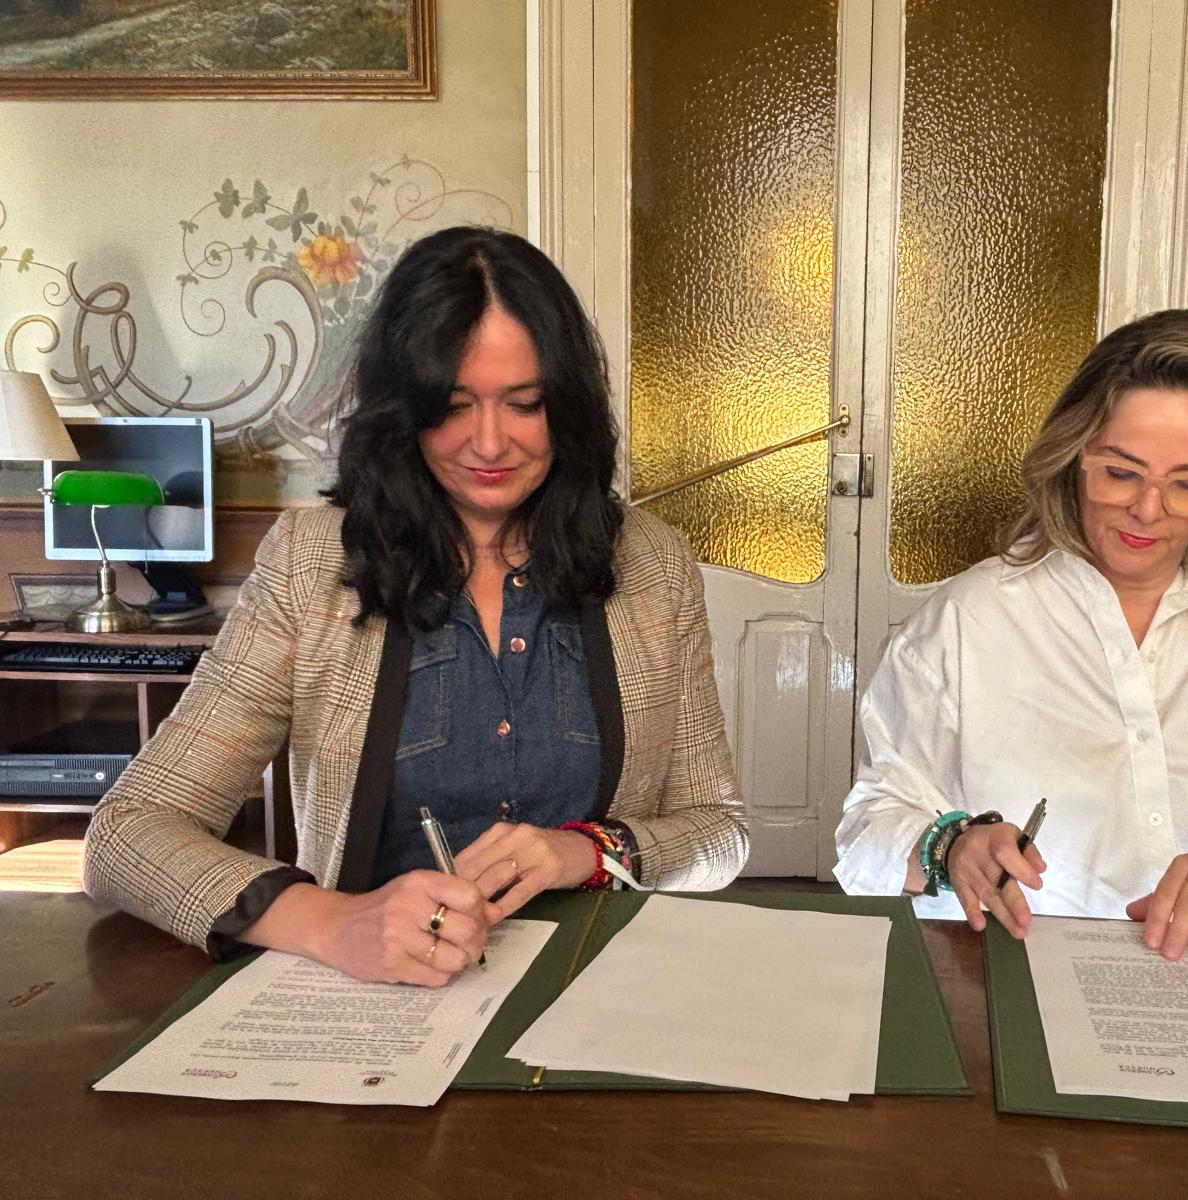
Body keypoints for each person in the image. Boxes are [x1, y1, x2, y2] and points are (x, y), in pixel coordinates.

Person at [84, 227, 747, 985]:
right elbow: (126, 836)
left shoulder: (653, 565)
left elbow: (718, 833)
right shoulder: (312, 563)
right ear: (404, 411)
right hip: (377, 998)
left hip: (594, 990)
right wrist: (333, 923)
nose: (490, 443)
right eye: (453, 405)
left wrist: (591, 851)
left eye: (525, 404)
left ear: (567, 408)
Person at [834, 309, 1188, 968]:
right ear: (1074, 457)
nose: (1148, 510)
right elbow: (865, 834)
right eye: (1121, 473)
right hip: (1014, 981)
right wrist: (950, 848)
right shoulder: (970, 618)